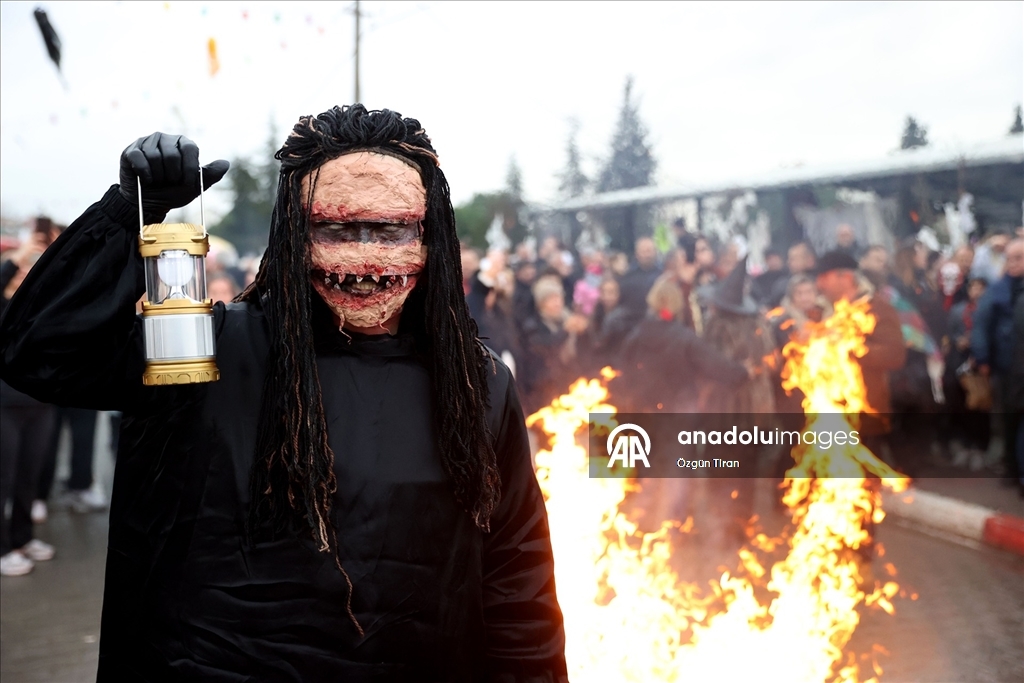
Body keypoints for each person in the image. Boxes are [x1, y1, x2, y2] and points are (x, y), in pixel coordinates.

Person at [0, 106, 566, 681]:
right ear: (294, 234)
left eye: (391, 229)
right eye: (336, 228)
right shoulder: (205, 351)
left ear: (430, 238)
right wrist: (125, 216)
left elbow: (516, 585)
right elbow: (40, 355)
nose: (364, 259)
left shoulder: (476, 383)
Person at [1, 233, 57, 576]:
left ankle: (22, 538)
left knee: (28, 477)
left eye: (28, 271)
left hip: (39, 404)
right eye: (19, 271)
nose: (24, 274)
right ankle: (3, 548)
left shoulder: (38, 305)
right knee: (3, 479)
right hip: (4, 405)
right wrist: (21, 255)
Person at [971, 237, 1024, 487]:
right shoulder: (997, 290)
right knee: (1008, 419)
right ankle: (1010, 469)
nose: (1013, 263)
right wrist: (983, 358)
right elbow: (981, 325)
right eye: (1010, 258)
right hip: (1005, 367)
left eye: (1019, 258)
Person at [617, 236, 660, 318]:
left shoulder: (663, 275)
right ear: (637, 254)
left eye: (649, 251)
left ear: (655, 252)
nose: (647, 255)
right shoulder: (628, 276)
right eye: (643, 251)